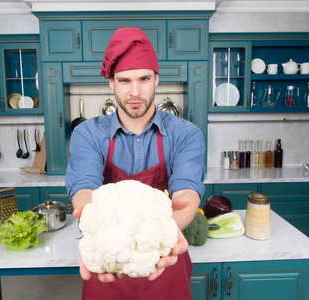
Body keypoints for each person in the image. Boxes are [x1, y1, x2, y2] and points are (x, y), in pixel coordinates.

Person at [66, 27, 205, 300]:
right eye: (125, 81)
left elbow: (187, 193)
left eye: (144, 79)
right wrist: (95, 222)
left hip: (166, 262)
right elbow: (83, 187)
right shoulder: (88, 133)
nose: (135, 91)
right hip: (109, 265)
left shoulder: (185, 133)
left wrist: (156, 239)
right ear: (111, 83)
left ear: (156, 80)